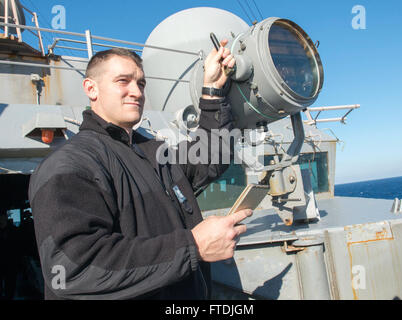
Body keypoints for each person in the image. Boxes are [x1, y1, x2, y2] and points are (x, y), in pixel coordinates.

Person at [28, 41, 252, 300]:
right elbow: (72, 269)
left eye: (141, 83)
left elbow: (212, 156)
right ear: (91, 88)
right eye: (123, 81)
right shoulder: (70, 163)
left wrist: (212, 89)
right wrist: (194, 246)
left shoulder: (153, 153)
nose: (136, 92)